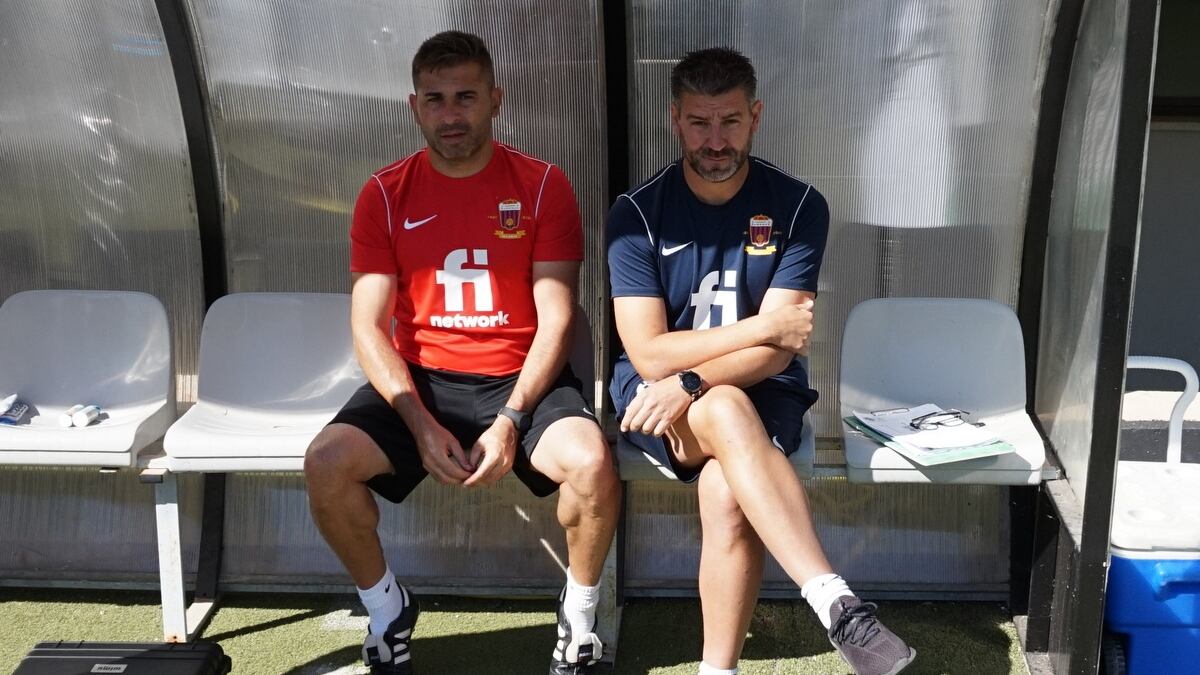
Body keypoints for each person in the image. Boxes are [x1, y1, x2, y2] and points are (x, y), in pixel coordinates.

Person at [304, 30, 620, 675]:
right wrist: (418, 421)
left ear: (495, 100)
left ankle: (580, 620)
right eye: (436, 99)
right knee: (326, 464)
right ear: (414, 106)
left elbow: (558, 315)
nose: (452, 114)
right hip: (422, 381)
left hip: (519, 379)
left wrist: (510, 418)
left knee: (592, 467)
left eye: (466, 97)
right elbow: (368, 326)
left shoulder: (541, 186)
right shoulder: (385, 193)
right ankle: (387, 609)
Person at [606, 47, 916, 675]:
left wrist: (695, 375)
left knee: (726, 490)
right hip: (652, 395)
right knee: (720, 407)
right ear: (674, 119)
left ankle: (717, 669)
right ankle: (835, 602)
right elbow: (648, 352)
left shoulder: (799, 207)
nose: (714, 140)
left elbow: (780, 350)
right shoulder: (635, 215)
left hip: (755, 387)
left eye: (729, 121)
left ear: (756, 116)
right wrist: (754, 329)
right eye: (699, 122)